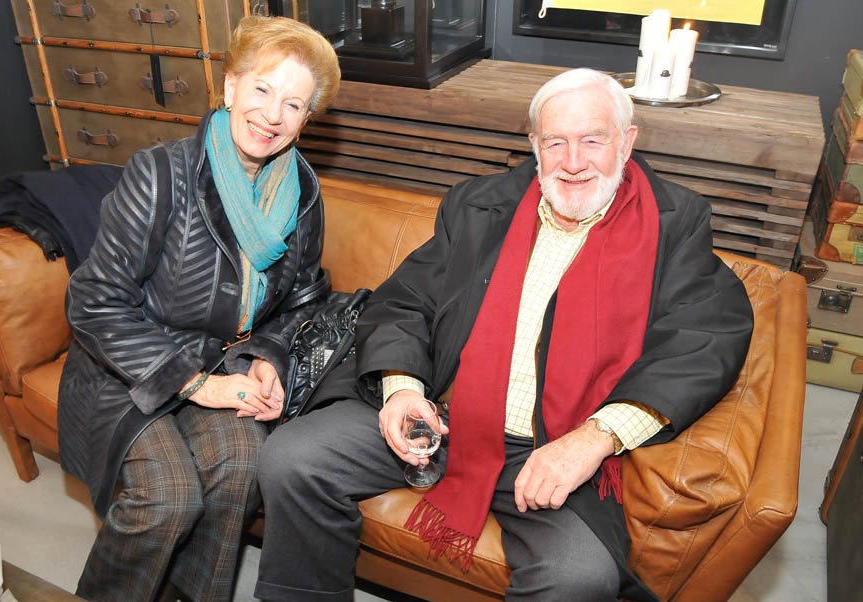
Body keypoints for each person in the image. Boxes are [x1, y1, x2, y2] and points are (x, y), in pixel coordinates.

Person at [254, 68, 755, 602]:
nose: (574, 162)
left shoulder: (672, 223)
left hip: (554, 444)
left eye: (592, 140)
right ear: (535, 145)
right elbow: (404, 301)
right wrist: (403, 390)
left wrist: (594, 440)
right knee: (293, 459)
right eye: (555, 142)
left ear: (626, 142)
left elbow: (704, 339)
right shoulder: (479, 205)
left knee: (579, 576)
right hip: (443, 416)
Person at [56, 16, 339, 602]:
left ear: (305, 119)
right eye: (262, 89)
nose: (272, 115)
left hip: (223, 362)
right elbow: (95, 302)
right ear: (230, 87)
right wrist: (197, 385)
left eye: (293, 104)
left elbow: (305, 300)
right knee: (168, 496)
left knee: (241, 467)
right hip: (127, 367)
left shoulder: (302, 193)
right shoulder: (161, 174)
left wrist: (270, 357)